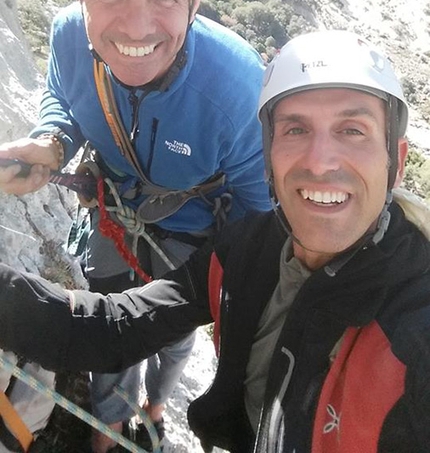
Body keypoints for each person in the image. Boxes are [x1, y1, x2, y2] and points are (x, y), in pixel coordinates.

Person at [0, 29, 429, 452]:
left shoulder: (415, 330)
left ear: (397, 162)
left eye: (353, 130)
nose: (319, 162)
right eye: (295, 130)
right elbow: (115, 328)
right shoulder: (248, 250)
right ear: (269, 152)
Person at [0, 0, 270, 452]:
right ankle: (112, 428)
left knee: (173, 342)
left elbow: (260, 217)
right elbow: (60, 92)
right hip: (113, 213)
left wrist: (236, 305)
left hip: (197, 243)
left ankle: (154, 405)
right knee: (104, 319)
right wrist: (53, 142)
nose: (137, 24)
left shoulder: (237, 91)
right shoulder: (72, 37)